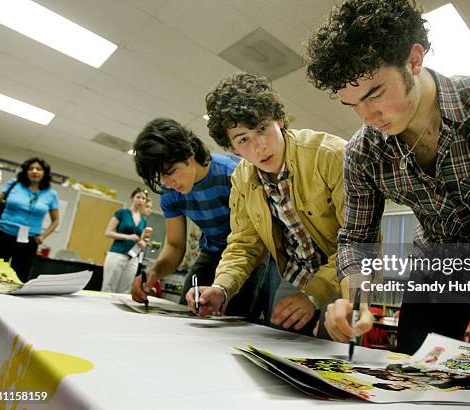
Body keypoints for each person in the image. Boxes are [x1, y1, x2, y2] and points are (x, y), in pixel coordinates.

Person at [306, 0, 470, 370]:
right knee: (415, 373)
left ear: (413, 60)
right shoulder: (363, 153)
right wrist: (356, 297)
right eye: (352, 105)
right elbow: (354, 239)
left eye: (375, 94)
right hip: (438, 266)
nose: (367, 117)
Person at [188, 73, 345, 335]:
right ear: (234, 149)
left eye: (262, 128)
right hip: (294, 276)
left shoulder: (330, 154)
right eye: (243, 139)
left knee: (334, 360)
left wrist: (315, 294)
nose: (259, 146)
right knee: (280, 355)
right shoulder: (241, 178)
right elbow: (244, 244)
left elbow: (361, 244)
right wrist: (221, 287)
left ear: (280, 120)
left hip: (343, 278)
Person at [131, 118, 271, 320]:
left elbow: (258, 237)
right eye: (162, 178)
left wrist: (224, 287)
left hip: (251, 252)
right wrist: (152, 274)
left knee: (236, 317)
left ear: (189, 154)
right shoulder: (170, 192)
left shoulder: (233, 173)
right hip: (212, 252)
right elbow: (174, 245)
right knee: (188, 312)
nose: (169, 183)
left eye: (171, 172)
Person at [0, 157, 59, 281]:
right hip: (3, 235)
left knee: (19, 278)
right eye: (31, 168)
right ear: (26, 171)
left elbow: (56, 221)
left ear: (44, 173)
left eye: (39, 169)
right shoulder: (15, 184)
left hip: (28, 241)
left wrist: (43, 236)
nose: (34, 171)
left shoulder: (51, 194)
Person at [102, 188, 148, 293]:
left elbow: (142, 238)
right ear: (132, 198)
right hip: (117, 254)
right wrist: (128, 237)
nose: (140, 200)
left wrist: (142, 243)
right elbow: (108, 232)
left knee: (125, 289)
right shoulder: (122, 213)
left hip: (133, 258)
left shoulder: (143, 220)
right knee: (109, 287)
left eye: (143, 198)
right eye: (138, 197)